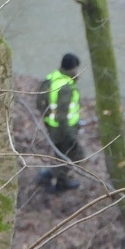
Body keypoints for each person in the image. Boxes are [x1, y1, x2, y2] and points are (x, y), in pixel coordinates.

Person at [42, 53, 84, 191]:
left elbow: (40, 102)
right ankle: (60, 182)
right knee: (74, 154)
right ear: (73, 68)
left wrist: (48, 120)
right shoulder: (66, 87)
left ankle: (50, 175)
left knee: (60, 153)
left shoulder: (52, 78)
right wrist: (70, 135)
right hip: (64, 129)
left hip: (52, 126)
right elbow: (62, 115)